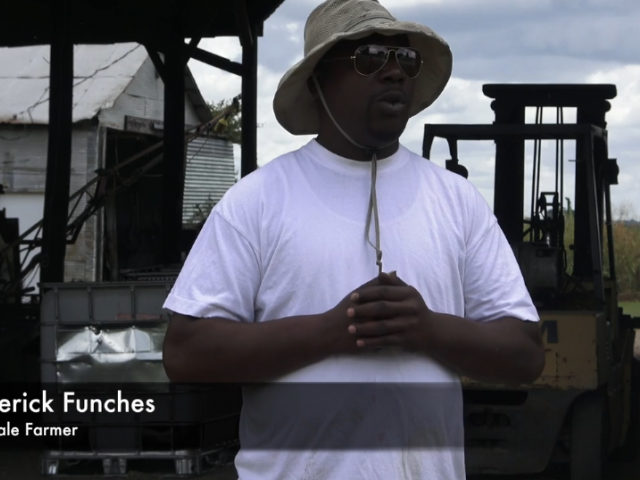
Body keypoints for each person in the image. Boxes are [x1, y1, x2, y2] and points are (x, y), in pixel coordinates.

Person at [162, 0, 545, 478]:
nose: (393, 74)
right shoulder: (258, 201)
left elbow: (526, 354)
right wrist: (334, 330)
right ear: (320, 81)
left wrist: (425, 328)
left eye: (405, 60)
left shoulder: (456, 200)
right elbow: (184, 354)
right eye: (368, 58)